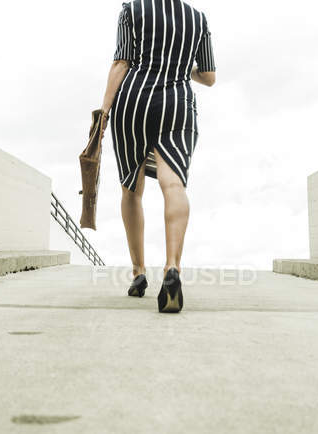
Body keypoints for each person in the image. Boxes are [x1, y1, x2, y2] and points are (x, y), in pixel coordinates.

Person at [100, 0, 216, 313]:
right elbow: (209, 76)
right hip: (177, 103)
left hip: (133, 102)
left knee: (131, 188)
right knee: (173, 184)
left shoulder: (132, 10)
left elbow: (121, 64)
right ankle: (172, 267)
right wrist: (180, 69)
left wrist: (104, 113)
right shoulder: (197, 19)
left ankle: (138, 273)